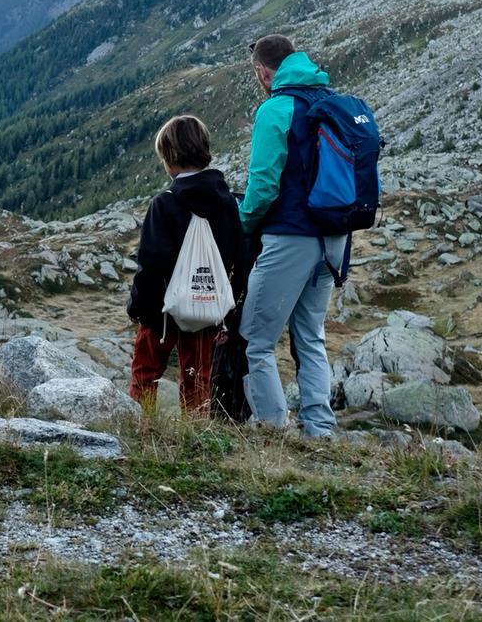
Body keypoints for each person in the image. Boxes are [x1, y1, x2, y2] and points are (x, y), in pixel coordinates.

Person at [237, 34, 347, 439]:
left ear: (264, 71)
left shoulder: (276, 109)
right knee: (310, 335)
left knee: (258, 340)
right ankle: (319, 429)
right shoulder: (330, 102)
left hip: (290, 238)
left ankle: (273, 429)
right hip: (333, 240)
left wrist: (242, 225)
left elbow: (263, 187)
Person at [127, 114, 244, 415]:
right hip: (207, 309)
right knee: (198, 380)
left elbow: (151, 265)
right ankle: (194, 438)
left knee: (146, 373)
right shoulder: (229, 202)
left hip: (162, 313)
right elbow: (238, 256)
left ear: (170, 157)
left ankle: (143, 429)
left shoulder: (164, 203)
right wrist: (227, 312)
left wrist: (140, 308)